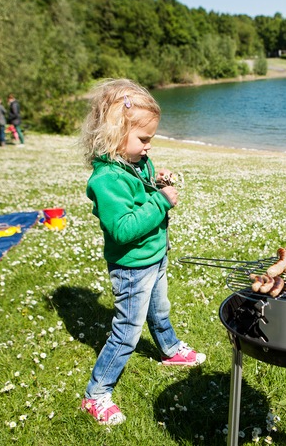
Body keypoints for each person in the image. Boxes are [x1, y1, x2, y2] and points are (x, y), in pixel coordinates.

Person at [78, 78, 206, 426]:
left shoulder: (132, 163)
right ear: (114, 133)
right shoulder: (106, 180)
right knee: (127, 330)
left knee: (159, 308)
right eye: (144, 140)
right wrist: (161, 201)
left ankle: (168, 349)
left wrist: (158, 181)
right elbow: (123, 229)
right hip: (132, 266)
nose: (148, 148)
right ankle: (97, 393)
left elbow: (144, 185)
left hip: (155, 256)